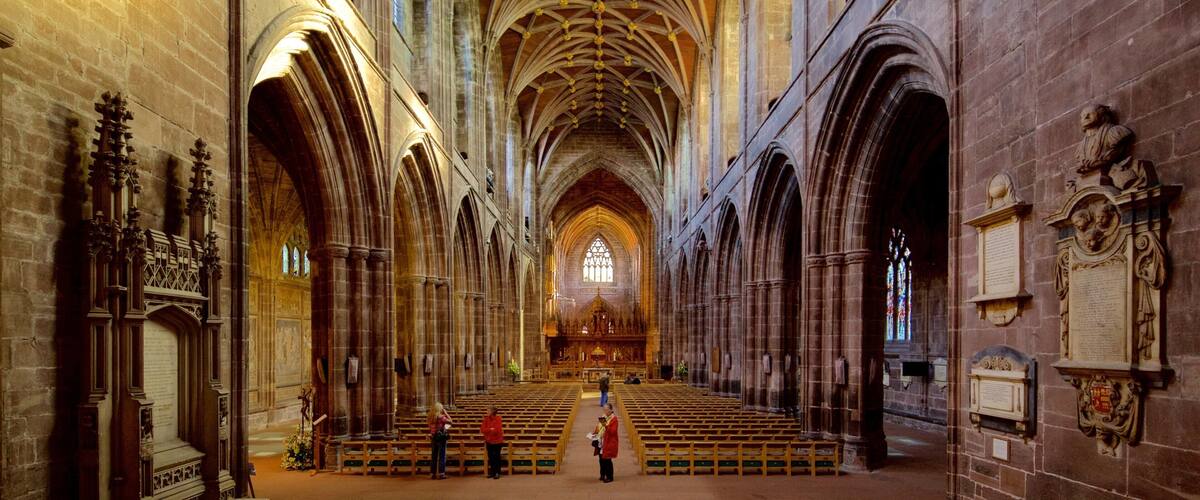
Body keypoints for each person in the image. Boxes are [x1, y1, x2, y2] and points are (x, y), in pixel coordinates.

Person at [428, 402, 452, 480]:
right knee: (442, 455)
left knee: (434, 456)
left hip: (433, 437)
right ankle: (441, 473)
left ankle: (433, 473)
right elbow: (450, 421)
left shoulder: (430, 417)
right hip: (441, 437)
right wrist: (446, 413)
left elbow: (430, 427)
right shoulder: (441, 417)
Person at [480, 406, 505, 479]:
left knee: (496, 457)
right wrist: (490, 429)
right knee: (490, 457)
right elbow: (482, 429)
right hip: (489, 441)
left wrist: (488, 430)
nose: (487, 412)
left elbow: (497, 430)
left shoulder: (498, 419)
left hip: (497, 441)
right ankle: (492, 472)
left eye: (488, 410)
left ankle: (497, 472)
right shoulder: (486, 419)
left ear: (492, 411)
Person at [599, 403, 619, 483]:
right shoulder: (604, 416)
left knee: (607, 460)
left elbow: (613, 432)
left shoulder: (614, 419)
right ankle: (603, 475)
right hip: (602, 440)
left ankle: (610, 477)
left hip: (609, 441)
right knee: (601, 459)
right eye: (604, 409)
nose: (605, 411)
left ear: (611, 410)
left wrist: (605, 425)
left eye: (606, 410)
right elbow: (599, 427)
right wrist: (595, 433)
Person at [587, 415, 606, 479]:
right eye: (600, 419)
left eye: (602, 419)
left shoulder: (607, 426)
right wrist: (592, 436)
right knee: (601, 460)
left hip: (605, 444)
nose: (601, 420)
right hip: (599, 443)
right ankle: (602, 474)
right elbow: (596, 433)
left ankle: (606, 474)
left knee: (605, 460)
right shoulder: (599, 425)